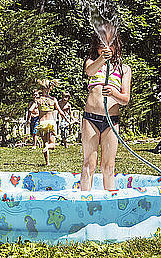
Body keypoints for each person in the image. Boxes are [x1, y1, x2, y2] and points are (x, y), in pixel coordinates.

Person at [81, 22, 131, 191]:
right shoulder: (92, 62)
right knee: (89, 163)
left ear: (116, 46)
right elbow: (89, 72)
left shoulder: (124, 69)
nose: (105, 48)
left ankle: (110, 203)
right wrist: (102, 59)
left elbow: (125, 99)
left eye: (109, 45)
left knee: (108, 166)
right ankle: (83, 202)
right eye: (101, 45)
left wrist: (114, 94)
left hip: (111, 121)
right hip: (91, 119)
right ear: (96, 48)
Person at [35, 79, 69, 165]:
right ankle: (47, 147)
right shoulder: (53, 99)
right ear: (50, 89)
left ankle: (47, 163)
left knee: (45, 142)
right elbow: (60, 111)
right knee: (52, 145)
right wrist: (67, 120)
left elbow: (31, 109)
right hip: (50, 122)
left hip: (42, 123)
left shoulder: (38, 100)